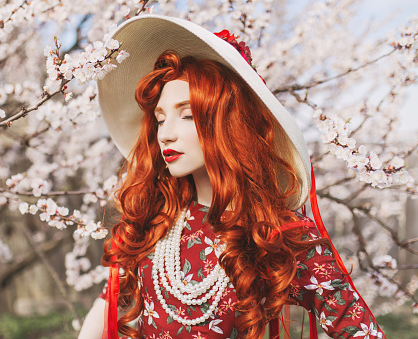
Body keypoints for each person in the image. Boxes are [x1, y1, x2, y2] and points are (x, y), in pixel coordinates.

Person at [79, 15, 386, 339]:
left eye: (186, 115)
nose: (166, 134)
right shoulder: (155, 221)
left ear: (228, 123)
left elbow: (359, 329)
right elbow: (109, 302)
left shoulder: (279, 233)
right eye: (159, 119)